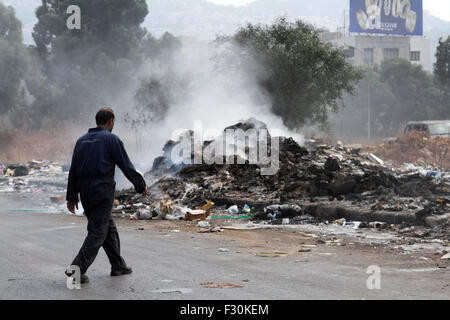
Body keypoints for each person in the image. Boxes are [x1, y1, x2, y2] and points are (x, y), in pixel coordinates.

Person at [65, 108, 148, 284]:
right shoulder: (111, 139)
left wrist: (71, 197)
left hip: (86, 193)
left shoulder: (81, 141)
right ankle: (77, 269)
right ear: (110, 121)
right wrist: (140, 185)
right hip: (102, 191)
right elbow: (126, 165)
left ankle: (118, 265)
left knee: (107, 226)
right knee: (98, 231)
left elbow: (73, 171)